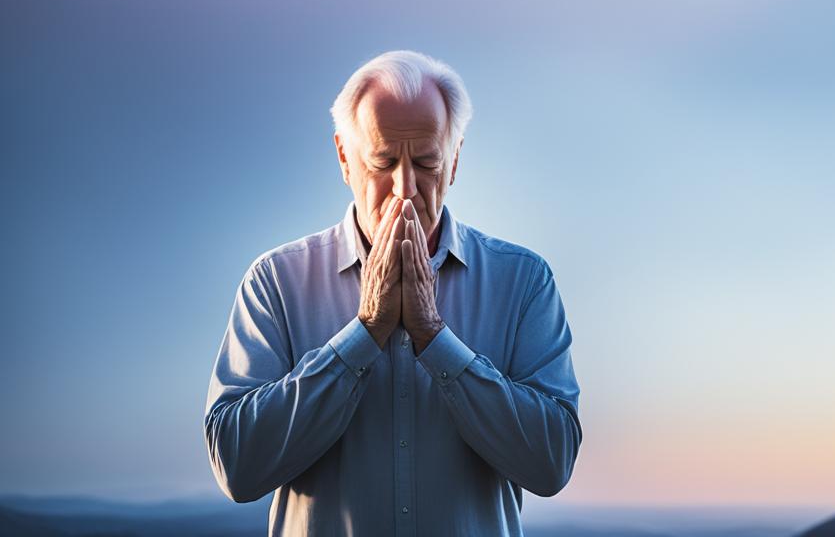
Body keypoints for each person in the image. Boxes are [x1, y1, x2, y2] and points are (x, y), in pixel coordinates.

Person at [204, 50, 581, 536]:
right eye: (383, 162)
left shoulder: (523, 281)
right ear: (344, 156)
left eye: (426, 163)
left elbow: (552, 465)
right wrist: (364, 333)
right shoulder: (276, 282)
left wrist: (434, 337)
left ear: (455, 161)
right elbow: (236, 467)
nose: (405, 188)